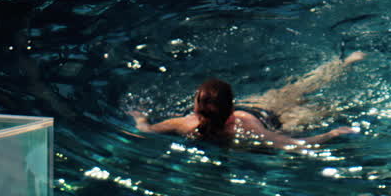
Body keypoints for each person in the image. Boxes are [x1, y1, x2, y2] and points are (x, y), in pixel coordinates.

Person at [128, 52, 366, 149]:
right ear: (231, 107)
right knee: (305, 88)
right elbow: (292, 145)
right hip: (262, 111)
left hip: (261, 112)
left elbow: (146, 130)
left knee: (322, 104)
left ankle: (345, 64)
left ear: (195, 109)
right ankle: (345, 62)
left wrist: (139, 116)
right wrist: (330, 135)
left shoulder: (183, 124)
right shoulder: (244, 127)